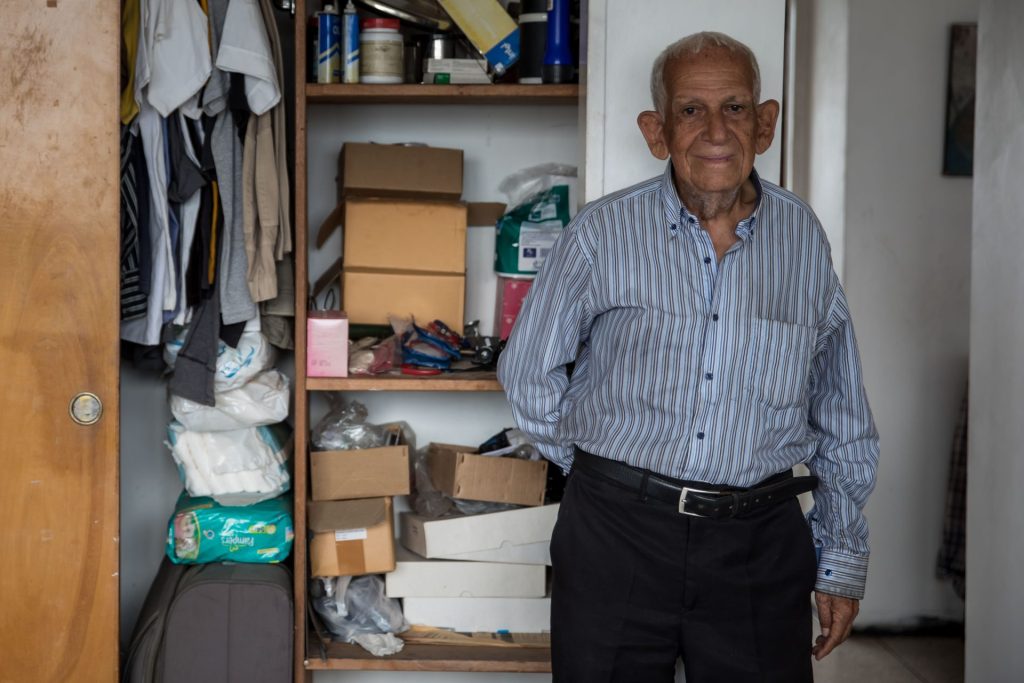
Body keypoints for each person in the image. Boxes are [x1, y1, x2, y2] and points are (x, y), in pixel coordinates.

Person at [497, 31, 879, 683]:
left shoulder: (802, 238)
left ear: (765, 124)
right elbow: (528, 372)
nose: (715, 131)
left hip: (759, 544)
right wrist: (601, 471)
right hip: (615, 538)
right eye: (690, 110)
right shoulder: (600, 233)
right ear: (656, 130)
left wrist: (841, 556)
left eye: (734, 107)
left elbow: (840, 411)